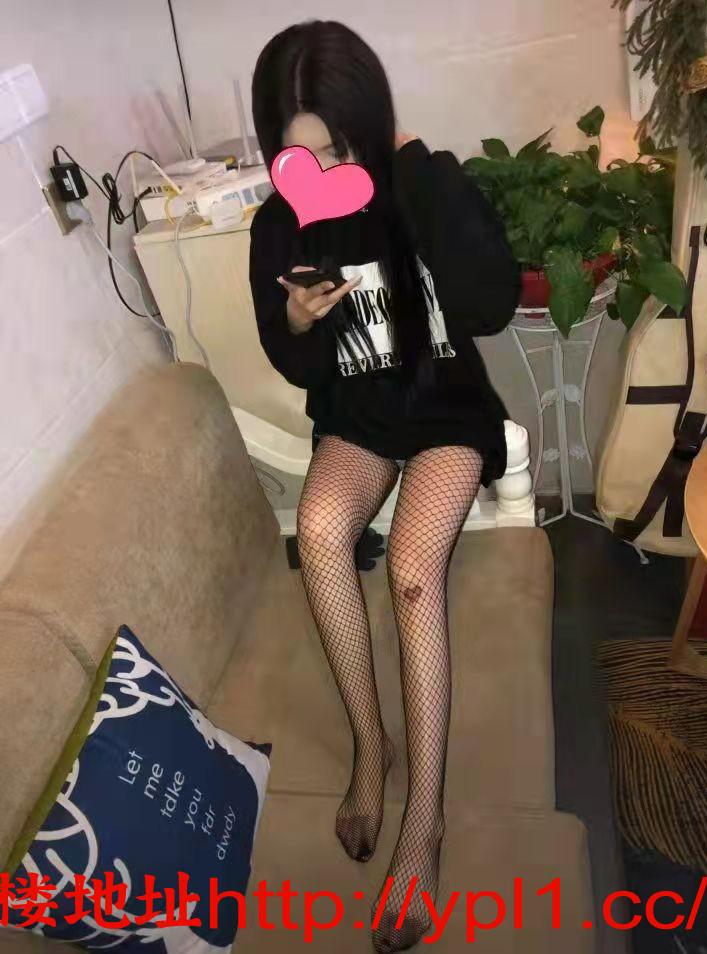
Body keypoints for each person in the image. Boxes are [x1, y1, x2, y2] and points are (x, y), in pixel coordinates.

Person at [250, 20, 520, 952]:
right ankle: (372, 747)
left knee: (411, 569)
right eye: (297, 157)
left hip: (442, 408)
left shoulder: (417, 183)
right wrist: (296, 319)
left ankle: (424, 820)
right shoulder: (280, 219)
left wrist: (414, 166)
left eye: (336, 148)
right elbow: (292, 362)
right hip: (360, 416)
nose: (319, 173)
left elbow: (488, 304)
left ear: (368, 122)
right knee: (321, 531)